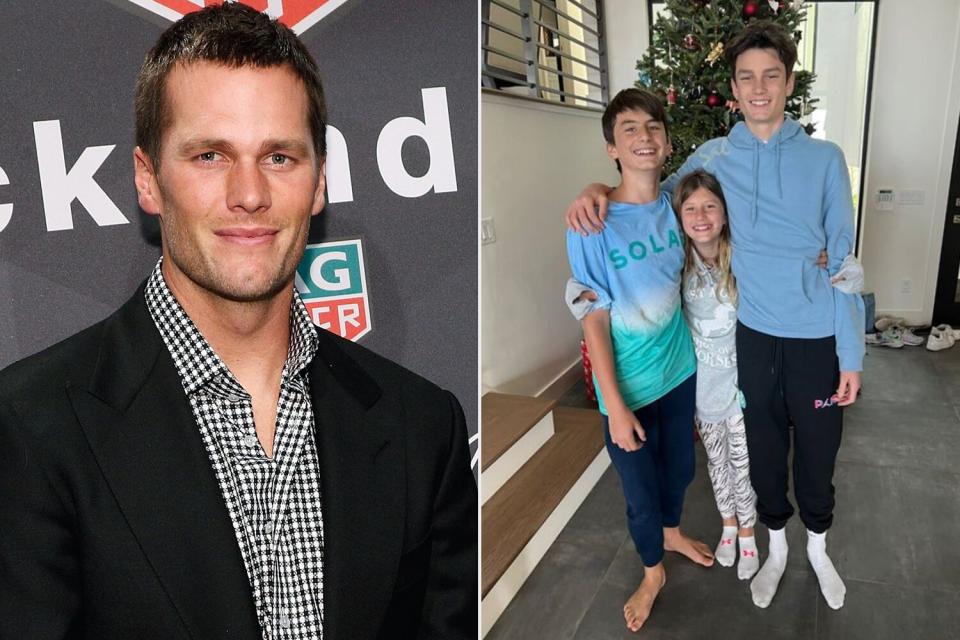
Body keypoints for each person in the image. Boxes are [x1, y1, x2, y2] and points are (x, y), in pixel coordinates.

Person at [0, 5, 477, 639]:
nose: (249, 193)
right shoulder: (30, 430)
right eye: (209, 156)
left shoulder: (423, 426)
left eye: (279, 157)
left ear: (319, 182)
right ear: (148, 180)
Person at [565, 20, 863, 611]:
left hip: (816, 338)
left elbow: (846, 265)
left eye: (771, 76)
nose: (759, 88)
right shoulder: (714, 155)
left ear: (787, 82)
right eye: (747, 77)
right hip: (752, 336)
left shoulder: (826, 159)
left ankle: (819, 550)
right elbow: (654, 190)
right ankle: (774, 547)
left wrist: (851, 354)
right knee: (764, 453)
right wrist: (596, 186)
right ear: (733, 87)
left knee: (819, 454)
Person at [566, 88, 714, 634]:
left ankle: (672, 533)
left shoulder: (678, 204)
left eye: (653, 127)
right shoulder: (591, 224)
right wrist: (615, 404)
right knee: (640, 495)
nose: (644, 137)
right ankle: (653, 572)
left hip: (679, 371)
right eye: (629, 129)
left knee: (680, 470)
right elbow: (593, 318)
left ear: (668, 142)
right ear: (612, 148)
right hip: (626, 390)